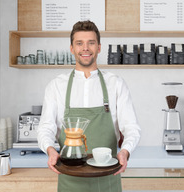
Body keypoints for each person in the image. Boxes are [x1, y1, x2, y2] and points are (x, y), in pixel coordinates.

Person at [37, 20, 141, 192]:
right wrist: (50, 150)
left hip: (107, 180)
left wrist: (125, 151)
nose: (85, 48)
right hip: (70, 179)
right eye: (79, 43)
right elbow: (46, 128)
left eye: (91, 43)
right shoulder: (56, 86)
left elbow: (131, 128)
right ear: (72, 48)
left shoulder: (115, 84)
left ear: (99, 47)